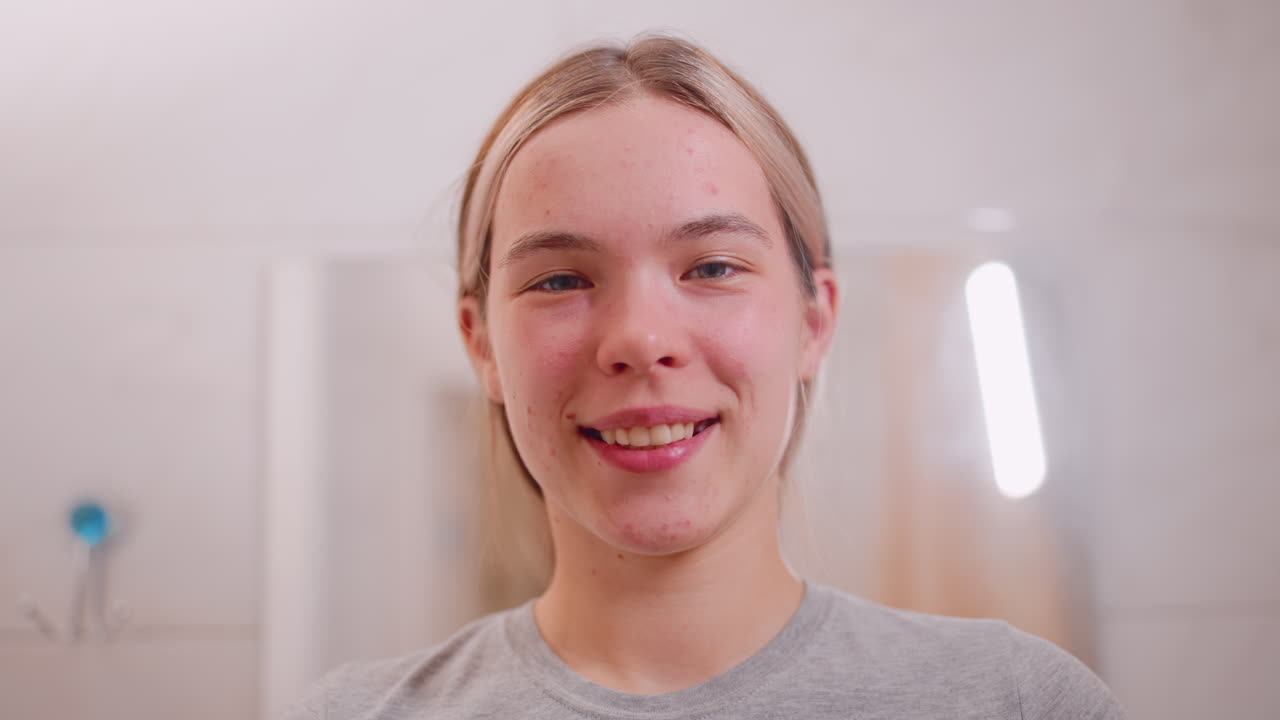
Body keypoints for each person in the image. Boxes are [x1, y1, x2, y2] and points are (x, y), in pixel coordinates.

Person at [286, 34, 1126, 719]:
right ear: (481, 345)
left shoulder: (1016, 702)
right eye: (560, 279)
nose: (641, 340)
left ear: (815, 320)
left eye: (713, 267)